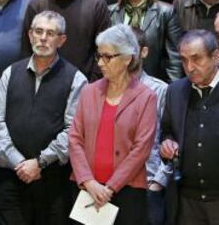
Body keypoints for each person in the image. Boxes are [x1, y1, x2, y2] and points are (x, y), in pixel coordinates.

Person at [0, 11, 87, 224]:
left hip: (53, 180)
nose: (43, 38)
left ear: (61, 40)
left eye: (51, 33)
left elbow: (73, 130)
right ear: (30, 35)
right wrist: (20, 162)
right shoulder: (10, 73)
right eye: (39, 31)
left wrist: (40, 162)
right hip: (11, 177)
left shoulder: (76, 79)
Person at [69, 24, 157, 225]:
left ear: (127, 59)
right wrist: (89, 181)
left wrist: (110, 188)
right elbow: (74, 138)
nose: (100, 62)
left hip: (127, 192)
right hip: (86, 190)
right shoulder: (88, 91)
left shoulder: (146, 97)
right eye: (99, 56)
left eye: (107, 57)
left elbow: (141, 149)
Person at [22, 0, 110, 81]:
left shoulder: (96, 5)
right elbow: (27, 50)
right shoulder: (37, 5)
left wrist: (91, 87)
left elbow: (104, 50)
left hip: (86, 86)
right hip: (42, 83)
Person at [160, 29, 219, 225]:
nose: (189, 67)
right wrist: (167, 143)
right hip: (186, 202)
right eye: (184, 60)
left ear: (216, 56)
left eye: (196, 59)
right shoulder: (175, 91)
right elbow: (166, 131)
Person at [109, 0, 183, 82]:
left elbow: (174, 58)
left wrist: (172, 91)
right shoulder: (110, 12)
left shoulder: (165, 12)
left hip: (153, 84)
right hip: (117, 83)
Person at [132, 28, 171, 225]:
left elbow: (173, 137)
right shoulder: (100, 89)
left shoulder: (160, 90)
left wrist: (158, 182)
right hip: (108, 186)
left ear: (143, 52)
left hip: (148, 184)